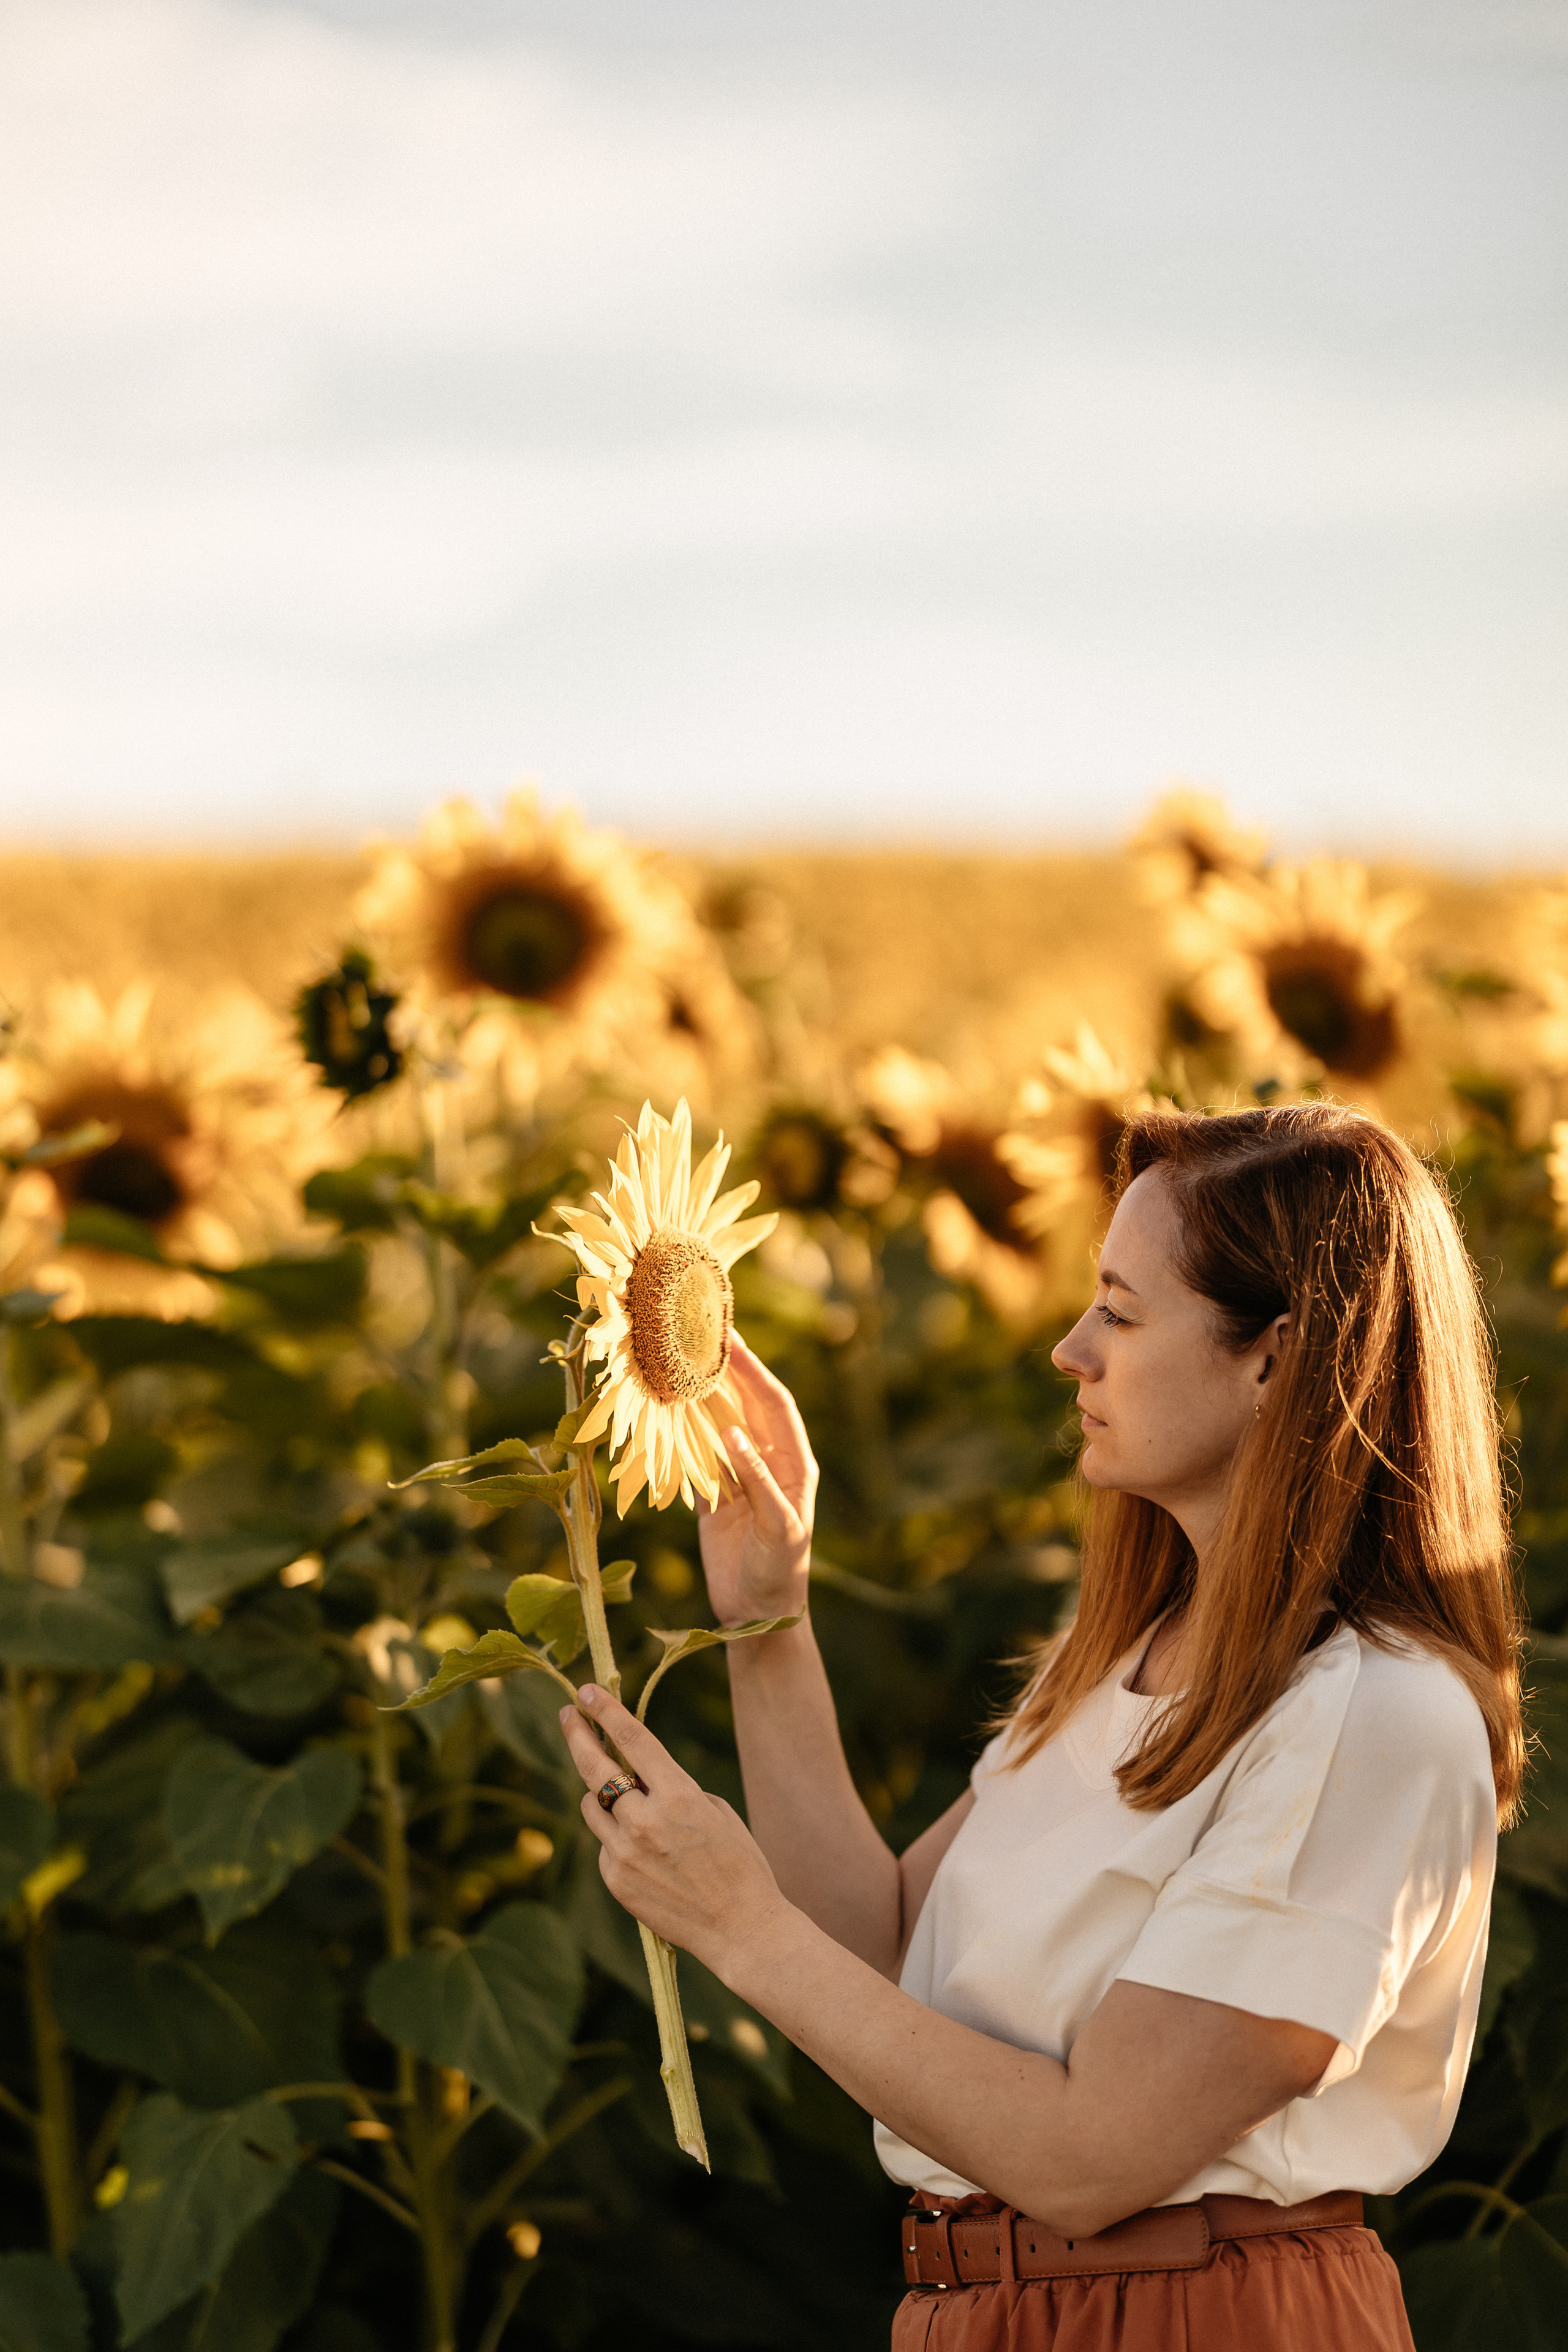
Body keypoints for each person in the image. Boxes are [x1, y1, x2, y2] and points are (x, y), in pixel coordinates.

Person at [558, 1103, 1522, 2351]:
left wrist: (739, 1928)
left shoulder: (1371, 1717)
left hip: (1194, 2318)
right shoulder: (1119, 1661)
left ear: (1273, 1358)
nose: (1071, 1351)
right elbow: (885, 1957)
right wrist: (767, 1621)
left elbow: (1089, 2157)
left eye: (1119, 1313)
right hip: (987, 2311)